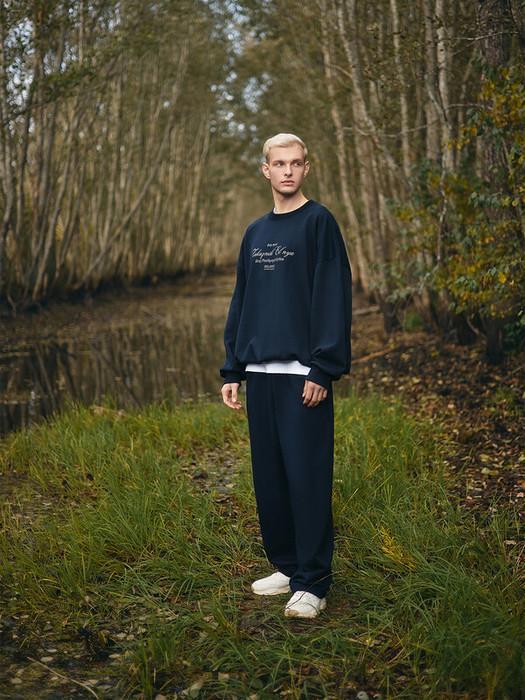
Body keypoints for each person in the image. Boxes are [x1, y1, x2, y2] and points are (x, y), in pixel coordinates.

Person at [220, 133, 352, 619]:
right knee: (270, 478)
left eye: (296, 163)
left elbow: (332, 294)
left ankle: (313, 581)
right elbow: (243, 300)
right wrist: (234, 367)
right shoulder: (255, 232)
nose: (288, 171)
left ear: (306, 168)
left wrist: (323, 367)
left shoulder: (319, 222)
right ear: (266, 170)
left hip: (302, 374)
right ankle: (288, 565)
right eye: (279, 164)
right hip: (260, 373)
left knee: (306, 476)